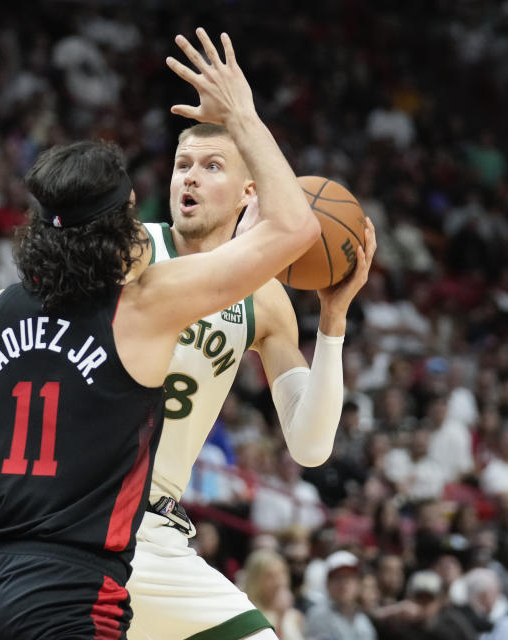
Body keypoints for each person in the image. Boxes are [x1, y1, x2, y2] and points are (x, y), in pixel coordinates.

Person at [0, 28, 320, 639]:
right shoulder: (145, 305)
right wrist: (243, 114)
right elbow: (294, 228)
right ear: (124, 222)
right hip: (68, 587)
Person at [126, 57, 376, 640]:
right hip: (90, 508)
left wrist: (333, 319)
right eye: (182, 164)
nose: (189, 176)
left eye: (210, 166)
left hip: (156, 531)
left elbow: (311, 448)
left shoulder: (263, 301)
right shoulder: (132, 251)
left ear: (249, 192)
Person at [305, 551, 377, 640]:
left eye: (349, 577)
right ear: (327, 583)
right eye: (337, 577)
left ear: (358, 583)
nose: (343, 583)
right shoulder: (317, 616)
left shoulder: (364, 622)